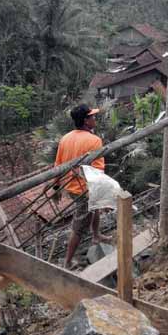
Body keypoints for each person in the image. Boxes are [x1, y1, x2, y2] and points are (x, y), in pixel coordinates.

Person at [53, 104, 110, 269]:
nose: (95, 119)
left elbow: (58, 165)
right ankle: (68, 261)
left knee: (95, 207)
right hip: (84, 189)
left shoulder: (66, 138)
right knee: (79, 226)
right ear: (86, 121)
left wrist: (56, 186)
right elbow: (98, 169)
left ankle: (96, 235)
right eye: (92, 116)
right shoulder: (94, 140)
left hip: (70, 185)